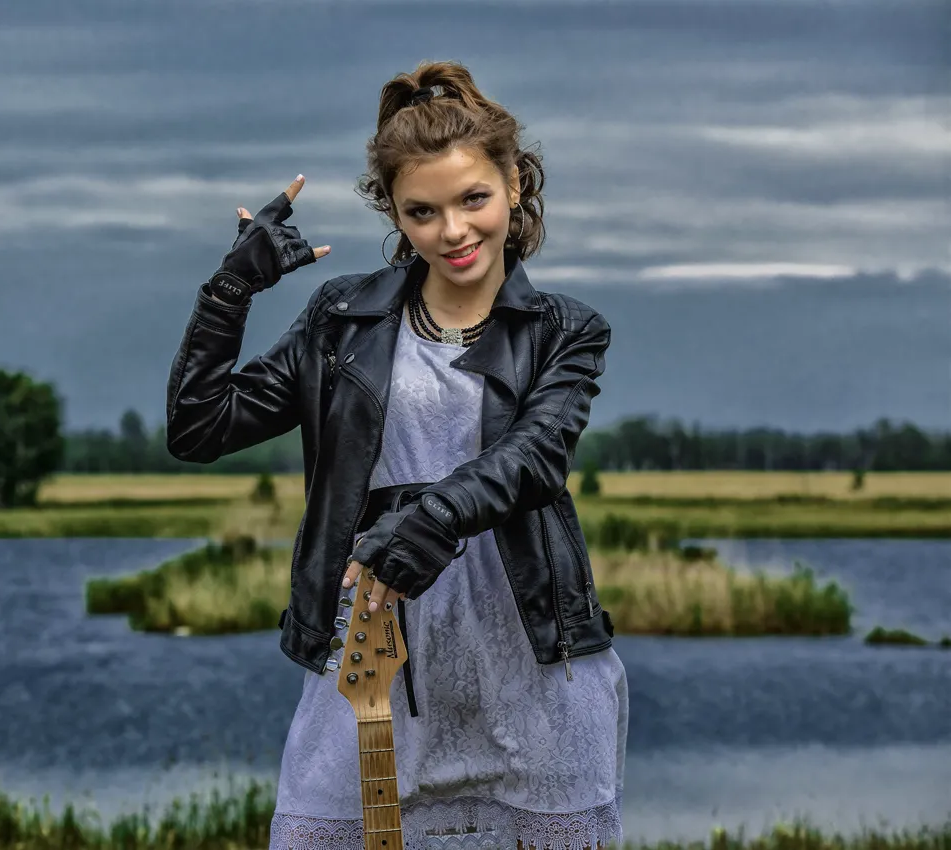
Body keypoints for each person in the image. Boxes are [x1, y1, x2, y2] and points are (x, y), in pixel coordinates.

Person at [166, 60, 627, 850]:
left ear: (514, 184)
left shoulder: (565, 330)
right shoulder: (340, 320)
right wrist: (229, 291)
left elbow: (536, 456)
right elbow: (200, 427)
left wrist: (431, 519)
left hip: (531, 664)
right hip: (368, 663)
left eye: (473, 199)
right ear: (396, 214)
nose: (453, 232)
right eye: (423, 211)